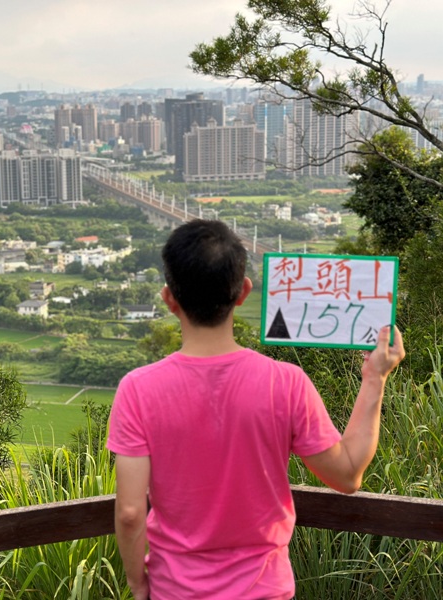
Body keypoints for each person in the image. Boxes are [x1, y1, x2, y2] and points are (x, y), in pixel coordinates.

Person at [106, 219, 405, 600]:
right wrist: (374, 378)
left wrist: (138, 584)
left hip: (175, 590)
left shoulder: (138, 389)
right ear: (244, 291)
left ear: (169, 299)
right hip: (265, 589)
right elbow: (347, 475)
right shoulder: (286, 382)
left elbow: (130, 513)